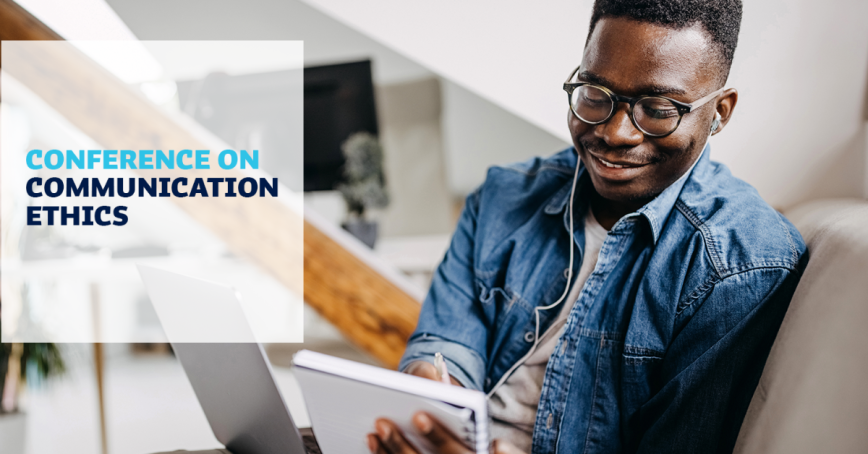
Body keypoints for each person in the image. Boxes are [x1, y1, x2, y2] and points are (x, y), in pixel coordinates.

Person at [368, 0, 808, 452]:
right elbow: (446, 337)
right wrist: (431, 393)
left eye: (658, 109)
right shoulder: (502, 197)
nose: (615, 133)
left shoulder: (742, 266)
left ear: (720, 111)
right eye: (596, 94)